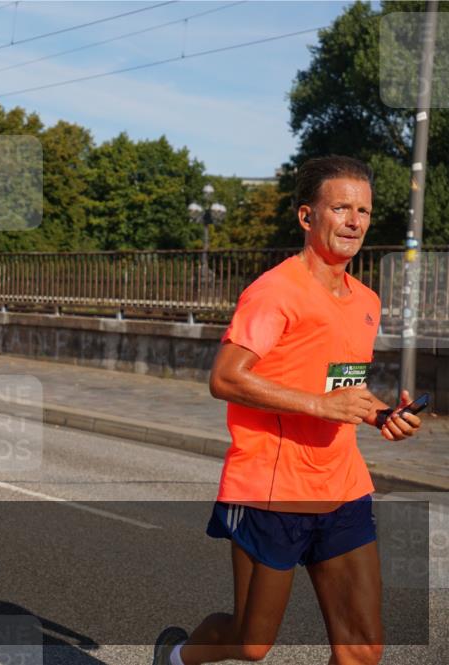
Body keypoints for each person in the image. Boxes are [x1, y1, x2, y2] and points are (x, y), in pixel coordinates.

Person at [152, 155, 424, 665]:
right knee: (251, 644)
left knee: (363, 650)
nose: (353, 221)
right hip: (271, 490)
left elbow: (338, 383)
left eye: (362, 210)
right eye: (340, 207)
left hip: (342, 486)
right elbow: (226, 377)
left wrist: (379, 414)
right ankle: (176, 657)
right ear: (307, 216)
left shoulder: (365, 299)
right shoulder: (274, 292)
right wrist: (321, 406)